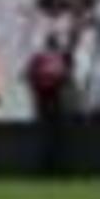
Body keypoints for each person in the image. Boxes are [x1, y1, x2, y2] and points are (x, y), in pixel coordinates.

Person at [26, 28, 77, 179]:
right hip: (54, 99)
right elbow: (66, 77)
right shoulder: (58, 58)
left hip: (44, 99)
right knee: (56, 136)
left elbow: (29, 76)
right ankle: (56, 168)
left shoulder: (39, 58)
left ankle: (45, 168)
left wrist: (37, 90)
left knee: (46, 135)